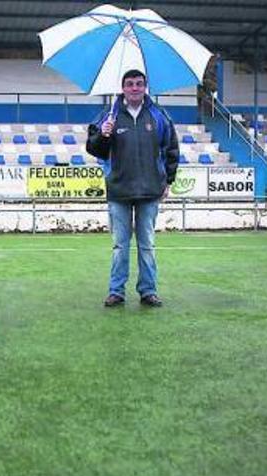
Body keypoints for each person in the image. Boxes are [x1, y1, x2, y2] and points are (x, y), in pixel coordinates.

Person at [86, 69, 179, 308]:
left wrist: (168, 181)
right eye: (130, 84)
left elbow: (171, 150)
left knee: (147, 244)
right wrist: (103, 136)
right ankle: (116, 291)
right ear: (123, 88)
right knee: (120, 245)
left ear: (145, 87)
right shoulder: (108, 115)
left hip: (150, 190)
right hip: (119, 190)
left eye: (139, 83)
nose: (135, 88)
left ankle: (148, 290)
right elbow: (93, 148)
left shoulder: (159, 116)